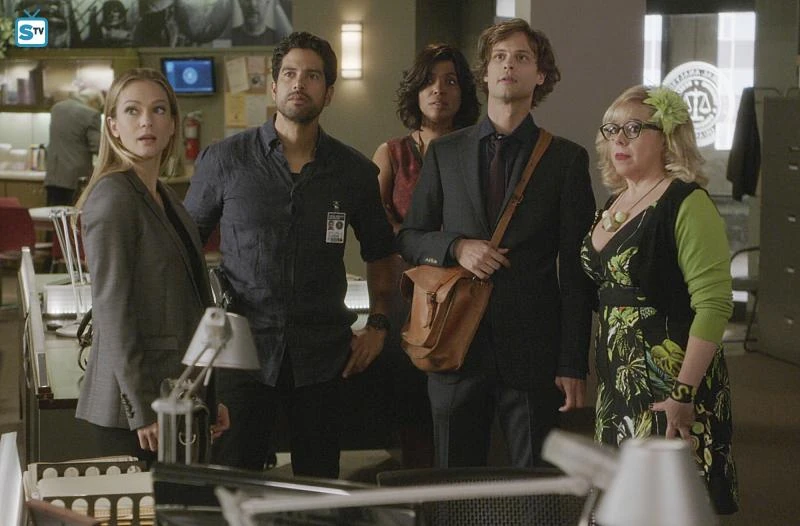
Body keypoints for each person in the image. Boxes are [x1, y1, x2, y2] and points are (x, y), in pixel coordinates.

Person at [184, 32, 396, 479]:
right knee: (233, 483)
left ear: (329, 92)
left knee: (318, 487)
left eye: (313, 76)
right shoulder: (225, 161)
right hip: (241, 354)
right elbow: (184, 247)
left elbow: (381, 251)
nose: (300, 83)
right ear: (274, 86)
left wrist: (378, 325)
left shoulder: (354, 172)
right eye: (290, 74)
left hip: (322, 357)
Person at [397, 18, 596, 468]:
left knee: (533, 487)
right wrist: (456, 247)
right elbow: (410, 236)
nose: (509, 66)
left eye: (522, 58)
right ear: (485, 73)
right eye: (499, 57)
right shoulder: (445, 152)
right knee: (454, 484)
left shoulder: (565, 159)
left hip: (532, 353)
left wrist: (572, 362)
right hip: (453, 343)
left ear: (540, 75)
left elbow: (576, 271)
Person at [583, 85, 738, 514]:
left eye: (634, 128)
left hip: (671, 386)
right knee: (623, 507)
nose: (619, 139)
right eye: (612, 129)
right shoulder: (616, 201)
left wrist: (683, 393)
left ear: (668, 137)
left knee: (670, 509)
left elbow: (714, 305)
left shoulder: (686, 203)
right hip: (619, 385)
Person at [74, 68, 220, 462]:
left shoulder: (166, 198)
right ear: (113, 126)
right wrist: (142, 409)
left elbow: (191, 306)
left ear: (172, 125)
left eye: (158, 110)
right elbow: (113, 312)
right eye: (132, 111)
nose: (146, 122)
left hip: (175, 397)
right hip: (134, 417)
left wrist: (208, 397)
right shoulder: (113, 197)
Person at [371, 43, 480, 468]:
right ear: (415, 91)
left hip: (464, 296)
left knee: (461, 411)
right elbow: (374, 225)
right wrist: (420, 240)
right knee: (411, 411)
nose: (439, 90)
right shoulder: (393, 153)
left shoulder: (476, 148)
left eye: (451, 81)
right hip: (408, 294)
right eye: (429, 81)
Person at [44, 89, 104, 206]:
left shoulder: (57, 108)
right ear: (94, 102)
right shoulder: (91, 114)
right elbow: (97, 148)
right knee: (74, 216)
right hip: (75, 180)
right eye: (99, 106)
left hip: (53, 177)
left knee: (53, 215)